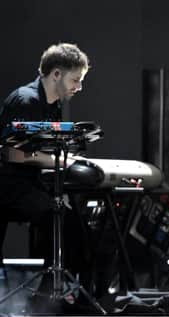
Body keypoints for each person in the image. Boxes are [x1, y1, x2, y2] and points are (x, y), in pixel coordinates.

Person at [0, 43, 89, 298]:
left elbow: (42, 151)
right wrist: (60, 162)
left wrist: (63, 159)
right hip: (7, 184)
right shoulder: (26, 100)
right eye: (76, 80)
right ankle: (46, 296)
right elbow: (10, 153)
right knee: (58, 218)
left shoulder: (53, 105)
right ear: (56, 74)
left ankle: (51, 294)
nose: (79, 87)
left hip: (25, 183)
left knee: (66, 218)